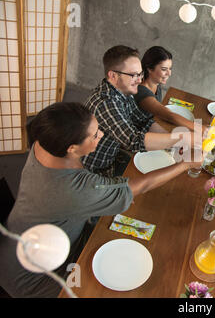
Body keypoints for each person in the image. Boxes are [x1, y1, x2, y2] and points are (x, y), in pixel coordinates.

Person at [0, 102, 202, 298]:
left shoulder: (45, 143)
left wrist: (110, 193)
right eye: (95, 135)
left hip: (33, 241)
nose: (102, 135)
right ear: (71, 148)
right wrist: (185, 165)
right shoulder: (70, 189)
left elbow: (92, 185)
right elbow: (143, 185)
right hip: (35, 279)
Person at [82, 45, 194, 177]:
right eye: (134, 75)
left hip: (113, 158)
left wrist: (175, 141)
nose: (140, 80)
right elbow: (134, 141)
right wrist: (180, 138)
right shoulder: (106, 102)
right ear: (113, 75)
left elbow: (143, 121)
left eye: (140, 74)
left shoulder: (124, 90)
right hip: (93, 171)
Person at [134, 46, 204, 132]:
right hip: (141, 134)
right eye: (164, 69)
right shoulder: (141, 91)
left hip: (153, 123)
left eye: (170, 68)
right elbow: (169, 115)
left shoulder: (156, 84)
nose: (169, 73)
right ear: (149, 69)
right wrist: (201, 128)